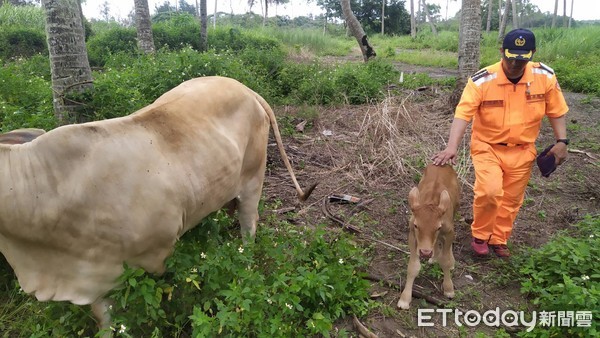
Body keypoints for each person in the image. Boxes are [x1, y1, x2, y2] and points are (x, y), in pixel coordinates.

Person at [431, 28, 569, 258]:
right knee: (490, 191)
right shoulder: (483, 80)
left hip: (523, 149)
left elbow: (556, 111)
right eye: (510, 58)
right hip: (488, 147)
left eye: (521, 60)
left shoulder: (544, 77)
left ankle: (499, 238)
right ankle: (481, 235)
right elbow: (463, 114)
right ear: (501, 52)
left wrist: (562, 141)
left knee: (512, 199)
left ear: (532, 53)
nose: (515, 64)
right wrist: (451, 147)